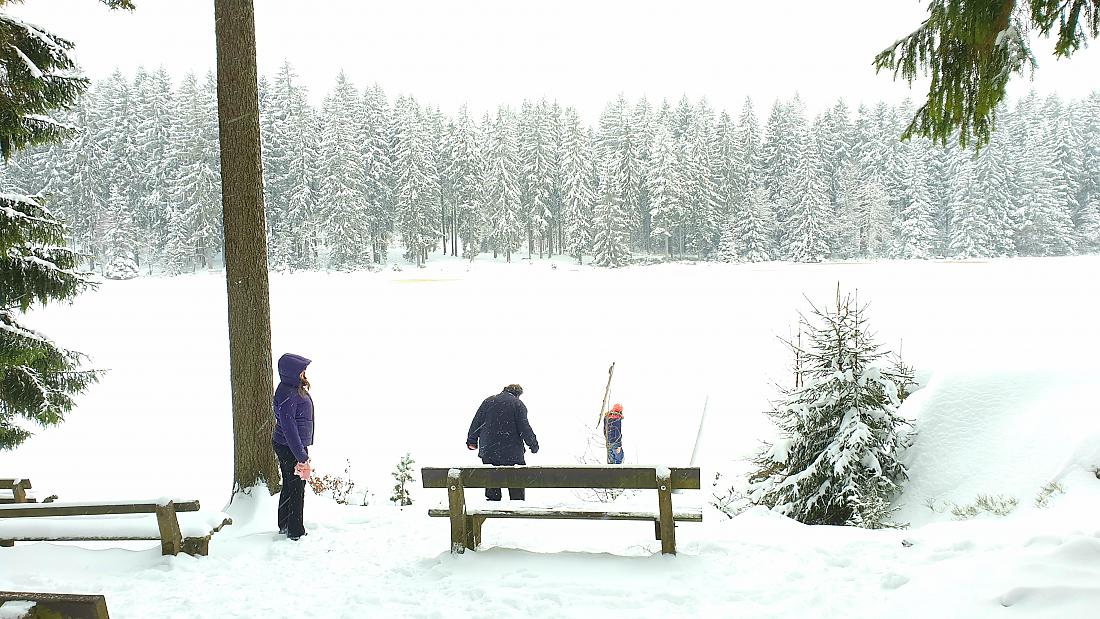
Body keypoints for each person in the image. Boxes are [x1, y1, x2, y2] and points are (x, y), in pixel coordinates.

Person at [466, 383, 538, 501]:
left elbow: (476, 422)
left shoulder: (488, 401)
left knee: (492, 480)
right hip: (512, 452)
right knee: (516, 483)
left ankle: (493, 505)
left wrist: (472, 441)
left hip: (489, 450)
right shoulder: (517, 404)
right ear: (518, 394)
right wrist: (533, 445)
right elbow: (524, 427)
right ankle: (517, 506)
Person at [272, 353, 314, 541]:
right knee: (297, 487)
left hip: (289, 444)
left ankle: (285, 524)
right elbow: (289, 428)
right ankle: (295, 531)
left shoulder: (290, 388)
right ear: (292, 373)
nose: (304, 373)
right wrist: (301, 456)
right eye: (302, 371)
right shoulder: (288, 393)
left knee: (290, 485)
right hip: (290, 446)